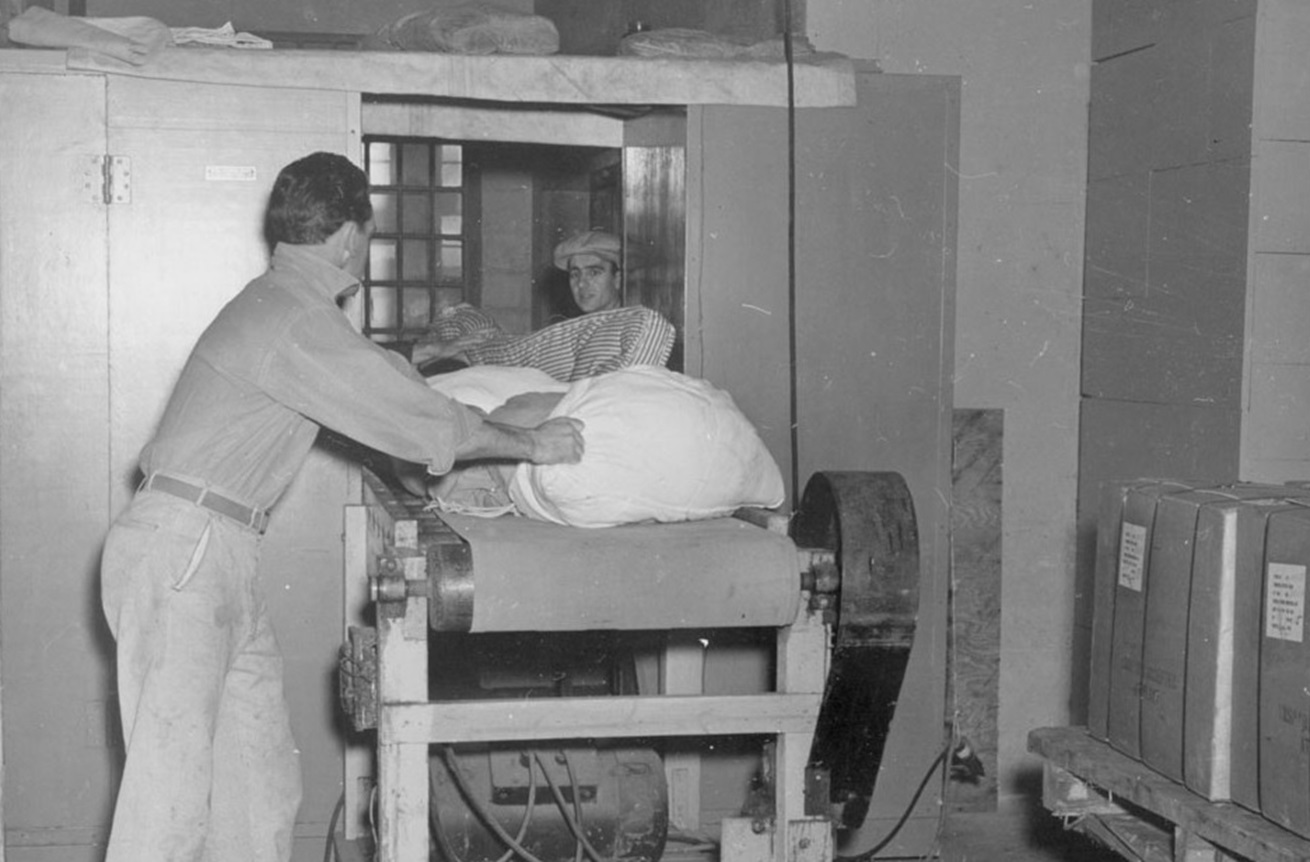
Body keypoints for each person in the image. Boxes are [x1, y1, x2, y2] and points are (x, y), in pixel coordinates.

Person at [97, 151, 584, 862]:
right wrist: (532, 444)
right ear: (355, 234)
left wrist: (420, 464)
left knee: (259, 788)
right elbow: (418, 415)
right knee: (166, 803)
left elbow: (373, 393)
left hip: (212, 552)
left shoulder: (289, 310)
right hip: (186, 552)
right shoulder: (294, 319)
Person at [413, 229, 675, 380]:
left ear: (618, 279)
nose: (582, 285)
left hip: (486, 359)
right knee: (463, 321)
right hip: (483, 345)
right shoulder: (573, 331)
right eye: (575, 274)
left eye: (594, 273)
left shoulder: (629, 329)